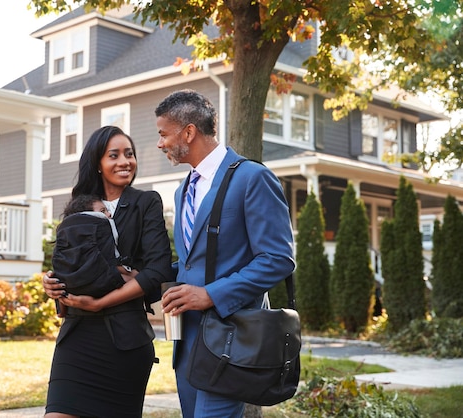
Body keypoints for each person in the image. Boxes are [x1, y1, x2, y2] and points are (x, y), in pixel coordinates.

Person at [156, 89, 296, 418]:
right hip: (187, 343)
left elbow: (278, 258)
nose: (160, 143)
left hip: (230, 339)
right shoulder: (182, 190)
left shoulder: (252, 178)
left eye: (163, 134)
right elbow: (193, 263)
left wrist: (210, 294)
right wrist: (146, 276)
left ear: (188, 132)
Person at [42, 126, 173, 418]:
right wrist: (50, 283)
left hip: (124, 337)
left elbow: (158, 269)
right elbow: (67, 262)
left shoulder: (145, 202)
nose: (124, 161)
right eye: (113, 155)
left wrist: (101, 302)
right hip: (77, 334)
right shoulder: (81, 204)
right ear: (98, 164)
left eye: (129, 154)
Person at [52, 194, 135, 304]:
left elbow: (61, 312)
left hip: (75, 301)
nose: (109, 214)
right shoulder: (98, 237)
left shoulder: (66, 253)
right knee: (139, 280)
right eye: (103, 211)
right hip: (108, 293)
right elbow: (111, 264)